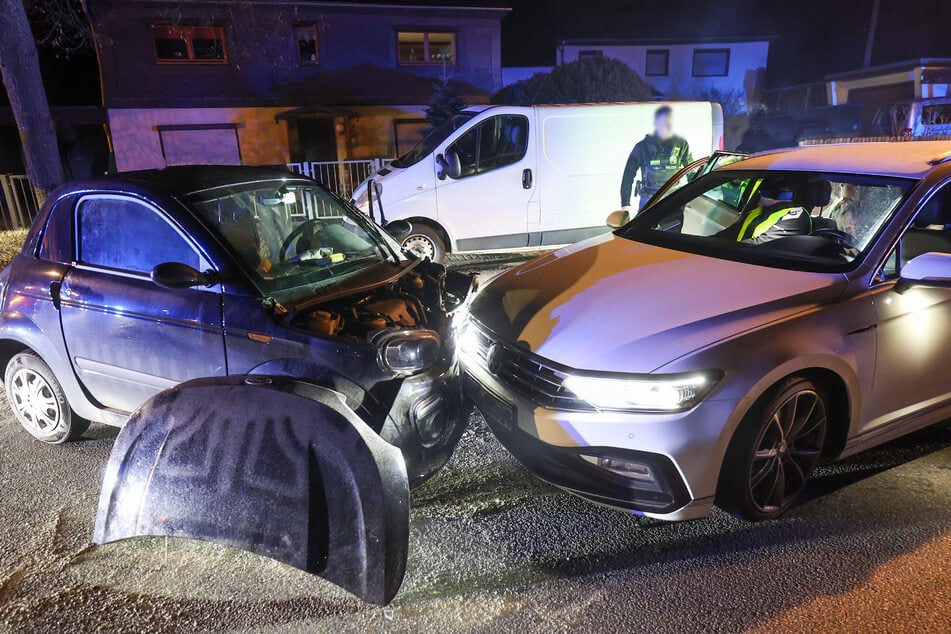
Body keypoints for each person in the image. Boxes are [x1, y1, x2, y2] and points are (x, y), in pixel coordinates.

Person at [620, 105, 693, 212]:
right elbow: (628, 175)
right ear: (656, 123)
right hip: (649, 200)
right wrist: (625, 204)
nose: (667, 125)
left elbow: (691, 171)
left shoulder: (681, 144)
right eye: (663, 122)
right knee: (644, 227)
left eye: (669, 122)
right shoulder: (642, 147)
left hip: (674, 198)